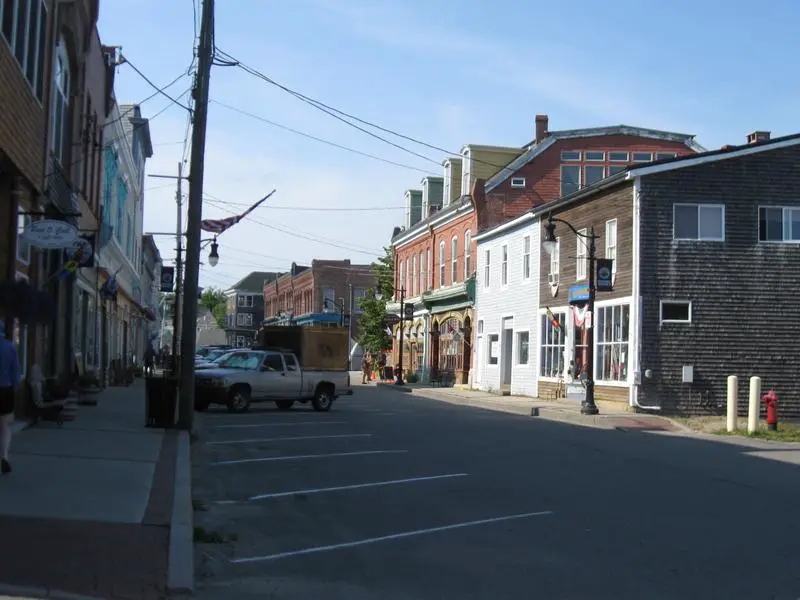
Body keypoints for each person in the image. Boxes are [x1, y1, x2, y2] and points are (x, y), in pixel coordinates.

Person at [0, 320, 21, 475]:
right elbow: (16, 374)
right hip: (5, 390)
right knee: (5, 426)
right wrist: (15, 388)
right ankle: (4, 456)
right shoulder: (10, 348)